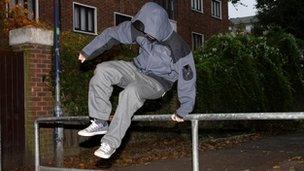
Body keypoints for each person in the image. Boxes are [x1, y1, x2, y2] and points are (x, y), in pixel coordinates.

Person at [77, 2, 196, 159]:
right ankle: (100, 121)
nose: (147, 37)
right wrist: (88, 51)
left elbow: (188, 76)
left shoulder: (178, 46)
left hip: (158, 82)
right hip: (136, 69)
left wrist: (184, 108)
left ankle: (110, 143)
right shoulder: (138, 29)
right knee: (103, 70)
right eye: (145, 33)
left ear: (160, 28)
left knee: (131, 92)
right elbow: (111, 34)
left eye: (151, 34)